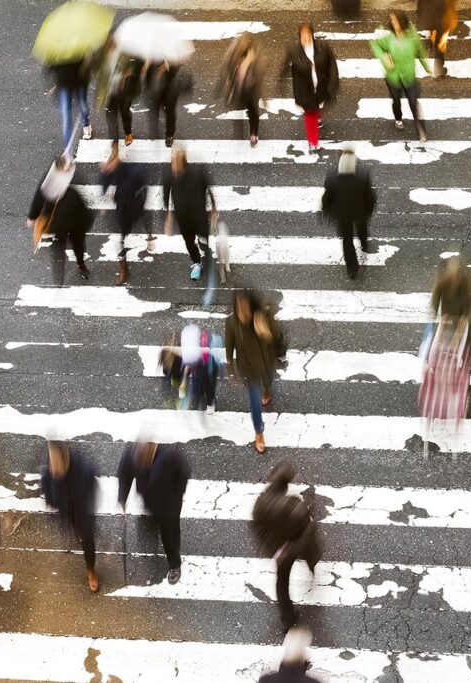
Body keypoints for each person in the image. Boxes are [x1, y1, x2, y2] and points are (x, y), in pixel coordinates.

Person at [252, 462, 321, 631]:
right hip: (293, 547)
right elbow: (308, 534)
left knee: (281, 584)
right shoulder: (295, 505)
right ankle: (312, 567)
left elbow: (258, 529)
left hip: (279, 551)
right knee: (309, 554)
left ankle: (288, 619)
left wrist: (275, 551)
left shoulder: (260, 504)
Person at [118, 440, 191, 585]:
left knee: (170, 535)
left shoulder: (171, 457)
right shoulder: (132, 455)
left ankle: (174, 565)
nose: (142, 466)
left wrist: (177, 494)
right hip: (149, 500)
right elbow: (125, 474)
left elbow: (183, 473)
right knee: (149, 528)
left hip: (169, 504)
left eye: (145, 463)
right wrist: (122, 499)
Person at [420, 256, 471, 426]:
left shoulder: (467, 284)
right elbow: (434, 303)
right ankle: (445, 379)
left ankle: (464, 378)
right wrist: (441, 322)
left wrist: (458, 335)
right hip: (448, 316)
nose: (453, 282)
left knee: (464, 350)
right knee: (442, 349)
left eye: (456, 279)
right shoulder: (442, 283)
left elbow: (468, 313)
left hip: (465, 319)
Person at [225, 290, 282, 454]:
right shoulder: (231, 323)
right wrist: (230, 367)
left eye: (244, 308)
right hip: (250, 371)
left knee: (269, 382)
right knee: (255, 403)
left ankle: (267, 390)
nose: (241, 313)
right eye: (238, 308)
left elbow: (278, 337)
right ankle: (259, 432)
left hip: (267, 363)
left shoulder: (263, 314)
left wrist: (265, 331)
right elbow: (229, 348)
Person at [41, 441, 100, 592]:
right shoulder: (49, 471)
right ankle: (77, 535)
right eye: (52, 466)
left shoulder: (83, 469)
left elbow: (92, 491)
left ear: (66, 458)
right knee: (75, 533)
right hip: (66, 510)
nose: (54, 471)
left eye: (57, 467)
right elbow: (48, 490)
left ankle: (90, 569)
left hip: (83, 512)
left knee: (87, 541)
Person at [28, 155, 94, 283]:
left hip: (75, 221)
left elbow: (82, 202)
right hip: (58, 222)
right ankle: (59, 278)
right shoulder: (51, 179)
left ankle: (80, 265)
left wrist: (86, 221)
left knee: (78, 246)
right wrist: (33, 216)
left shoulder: (72, 178)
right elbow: (40, 195)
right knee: (59, 249)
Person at [370, 11, 430, 142]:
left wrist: (427, 67)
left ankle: (421, 130)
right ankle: (398, 118)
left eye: (396, 21)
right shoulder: (386, 33)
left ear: (402, 22)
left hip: (409, 75)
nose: (393, 24)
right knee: (396, 100)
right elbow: (375, 44)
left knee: (413, 103)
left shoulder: (412, 34)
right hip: (393, 76)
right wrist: (383, 56)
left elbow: (420, 51)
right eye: (391, 21)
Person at [162, 148, 217, 281]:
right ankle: (197, 262)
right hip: (183, 216)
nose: (174, 168)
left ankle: (206, 255)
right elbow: (166, 195)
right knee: (189, 241)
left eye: (176, 164)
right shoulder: (170, 176)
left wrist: (214, 208)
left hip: (198, 214)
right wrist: (168, 217)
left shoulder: (197, 173)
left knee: (204, 236)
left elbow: (208, 189)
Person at [321, 149, 377, 279]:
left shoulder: (332, 178)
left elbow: (327, 197)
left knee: (347, 239)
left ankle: (352, 268)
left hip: (342, 214)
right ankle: (364, 244)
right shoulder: (362, 177)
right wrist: (369, 210)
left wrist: (326, 211)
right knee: (362, 229)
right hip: (360, 212)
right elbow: (370, 196)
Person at [283, 24, 339, 152]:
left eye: (308, 34)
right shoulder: (294, 51)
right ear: (299, 36)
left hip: (321, 87)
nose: (306, 37)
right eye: (303, 35)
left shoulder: (323, 47)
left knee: (319, 105)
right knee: (310, 114)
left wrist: (333, 82)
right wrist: (281, 84)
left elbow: (332, 65)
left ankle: (318, 115)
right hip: (304, 90)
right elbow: (285, 67)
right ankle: (313, 142)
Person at [100, 143, 150, 285]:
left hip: (134, 210)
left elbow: (143, 188)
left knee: (144, 220)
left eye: (112, 161)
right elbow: (103, 187)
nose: (109, 164)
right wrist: (104, 175)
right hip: (120, 214)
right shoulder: (109, 174)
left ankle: (150, 236)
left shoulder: (132, 173)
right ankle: (124, 269)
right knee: (118, 242)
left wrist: (139, 203)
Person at [96, 38, 144, 147]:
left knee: (124, 111)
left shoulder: (128, 52)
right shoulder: (102, 56)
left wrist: (128, 72)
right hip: (111, 90)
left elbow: (139, 63)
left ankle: (128, 133)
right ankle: (114, 143)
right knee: (111, 115)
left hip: (126, 89)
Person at [219, 33, 265, 147]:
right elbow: (226, 69)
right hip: (238, 89)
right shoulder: (233, 56)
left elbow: (260, 76)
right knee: (238, 107)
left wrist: (264, 97)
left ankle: (254, 133)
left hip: (251, 90)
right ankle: (240, 130)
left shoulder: (254, 56)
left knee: (253, 112)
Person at [48, 59, 93, 149]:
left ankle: (86, 124)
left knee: (80, 106)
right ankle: (68, 150)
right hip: (66, 81)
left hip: (78, 80)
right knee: (67, 115)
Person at [146, 60, 191, 148]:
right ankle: (154, 130)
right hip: (154, 82)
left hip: (169, 84)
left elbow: (178, 62)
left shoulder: (172, 49)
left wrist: (164, 67)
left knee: (169, 110)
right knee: (154, 107)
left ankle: (169, 135)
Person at [417, 0, 459, 77]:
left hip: (428, 15)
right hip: (441, 17)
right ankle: (438, 69)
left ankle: (428, 44)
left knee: (434, 35)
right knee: (439, 44)